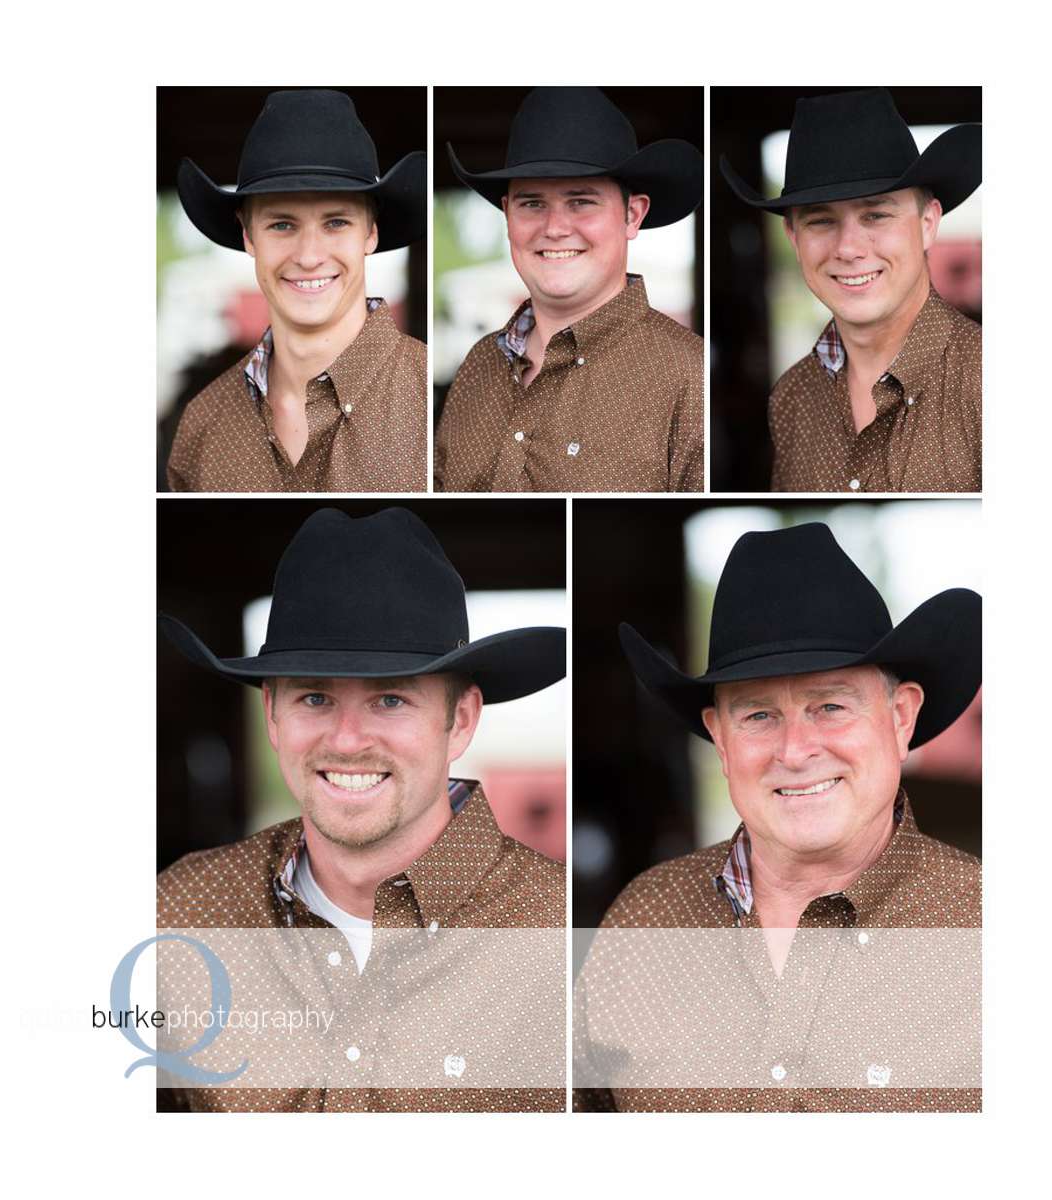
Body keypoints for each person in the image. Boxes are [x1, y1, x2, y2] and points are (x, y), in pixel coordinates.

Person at [155, 507, 568, 1109]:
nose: (347, 740)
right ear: (272, 715)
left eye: (390, 700)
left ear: (460, 720)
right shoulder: (183, 911)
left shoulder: (567, 935)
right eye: (315, 697)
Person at [576, 524, 983, 1110]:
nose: (794, 751)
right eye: (759, 715)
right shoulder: (642, 922)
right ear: (720, 740)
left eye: (831, 706)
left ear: (900, 718)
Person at [439, 86, 705, 491]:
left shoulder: (689, 373)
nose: (555, 228)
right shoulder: (478, 366)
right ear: (507, 214)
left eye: (580, 201)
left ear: (632, 215)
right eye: (532, 203)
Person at [722, 88, 982, 492]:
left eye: (876, 215)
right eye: (821, 221)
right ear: (792, 236)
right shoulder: (791, 398)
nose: (848, 248)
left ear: (928, 223)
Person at [167, 90, 427, 492]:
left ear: (370, 233)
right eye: (282, 225)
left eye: (336, 223)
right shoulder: (203, 423)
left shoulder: (437, 403)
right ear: (248, 235)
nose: (308, 257)